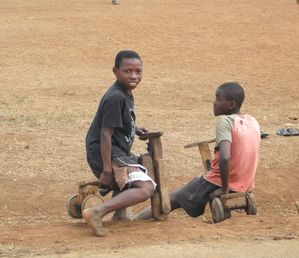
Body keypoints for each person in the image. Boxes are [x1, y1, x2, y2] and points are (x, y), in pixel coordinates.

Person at [135, 82, 261, 220]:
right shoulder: (253, 121)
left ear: (231, 104)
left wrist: (225, 191)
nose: (214, 103)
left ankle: (135, 220)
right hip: (245, 183)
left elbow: (225, 158)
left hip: (219, 181)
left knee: (175, 197)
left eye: (218, 99)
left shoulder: (225, 122)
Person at [84, 50, 156, 236]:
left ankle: (120, 215)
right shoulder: (116, 97)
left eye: (138, 71)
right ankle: (96, 212)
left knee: (134, 174)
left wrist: (135, 128)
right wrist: (107, 170)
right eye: (128, 71)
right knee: (146, 187)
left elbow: (115, 122)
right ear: (115, 71)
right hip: (106, 150)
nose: (134, 76)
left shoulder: (124, 92)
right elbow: (105, 133)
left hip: (116, 150)